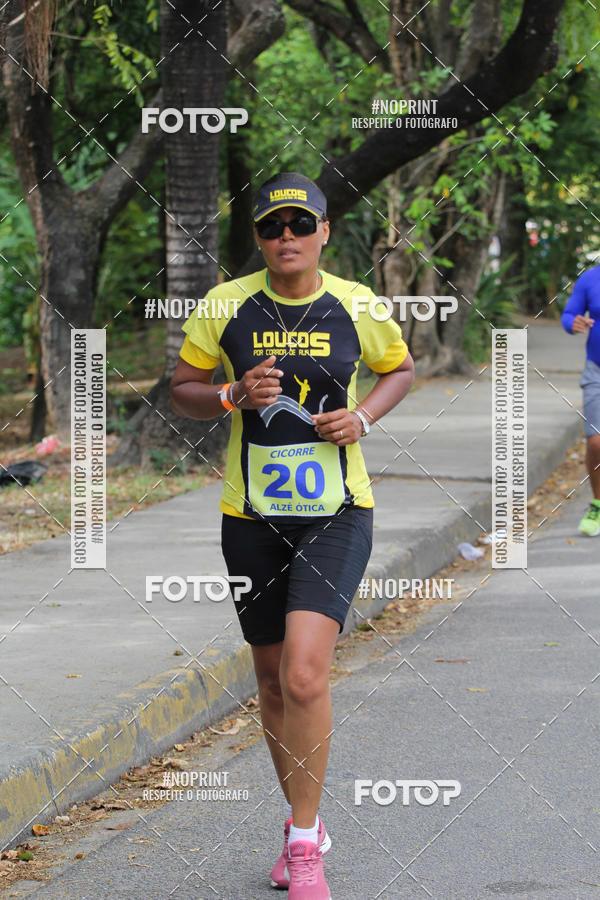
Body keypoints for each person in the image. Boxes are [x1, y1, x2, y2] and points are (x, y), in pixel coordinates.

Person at [170, 172, 414, 898]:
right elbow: (182, 389)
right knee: (273, 681)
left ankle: (306, 845)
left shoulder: (357, 303)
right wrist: (230, 394)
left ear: (324, 233)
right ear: (258, 236)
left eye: (299, 226)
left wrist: (363, 418)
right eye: (273, 227)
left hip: (339, 512)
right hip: (251, 519)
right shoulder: (227, 304)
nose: (286, 238)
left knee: (306, 673)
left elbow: (399, 369)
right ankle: (297, 817)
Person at [561, 265, 600, 536]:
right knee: (596, 441)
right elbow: (568, 314)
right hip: (596, 371)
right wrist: (572, 323)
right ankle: (597, 503)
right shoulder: (591, 278)